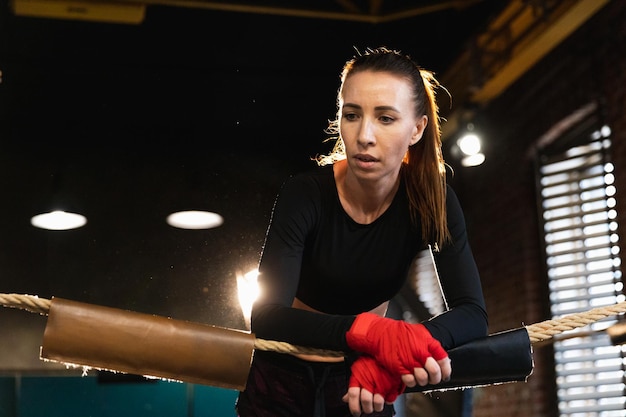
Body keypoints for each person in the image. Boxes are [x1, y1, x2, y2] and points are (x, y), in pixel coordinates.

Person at [236, 46, 488, 417]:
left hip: (366, 374)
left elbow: (473, 314)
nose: (364, 135)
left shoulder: (434, 199)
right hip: (281, 378)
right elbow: (267, 315)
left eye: (385, 118)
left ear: (416, 128)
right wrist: (372, 333)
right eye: (352, 115)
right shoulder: (305, 194)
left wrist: (403, 344)